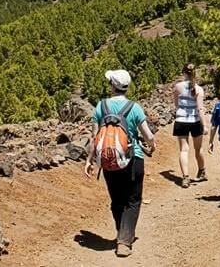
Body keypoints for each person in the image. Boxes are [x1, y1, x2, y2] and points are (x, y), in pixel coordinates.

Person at [85, 69, 157, 258]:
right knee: (132, 200)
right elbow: (148, 135)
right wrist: (152, 146)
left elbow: (94, 137)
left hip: (109, 161)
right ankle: (124, 241)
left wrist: (90, 160)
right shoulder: (134, 108)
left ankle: (122, 234)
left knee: (117, 200)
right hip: (133, 158)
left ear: (112, 86)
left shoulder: (101, 106)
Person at [172, 63, 209, 188]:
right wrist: (205, 125)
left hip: (181, 121)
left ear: (183, 73)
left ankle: (185, 177)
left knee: (183, 149)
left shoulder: (177, 87)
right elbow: (200, 108)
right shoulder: (199, 89)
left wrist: (182, 111)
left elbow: (176, 104)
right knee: (198, 149)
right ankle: (202, 171)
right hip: (195, 121)